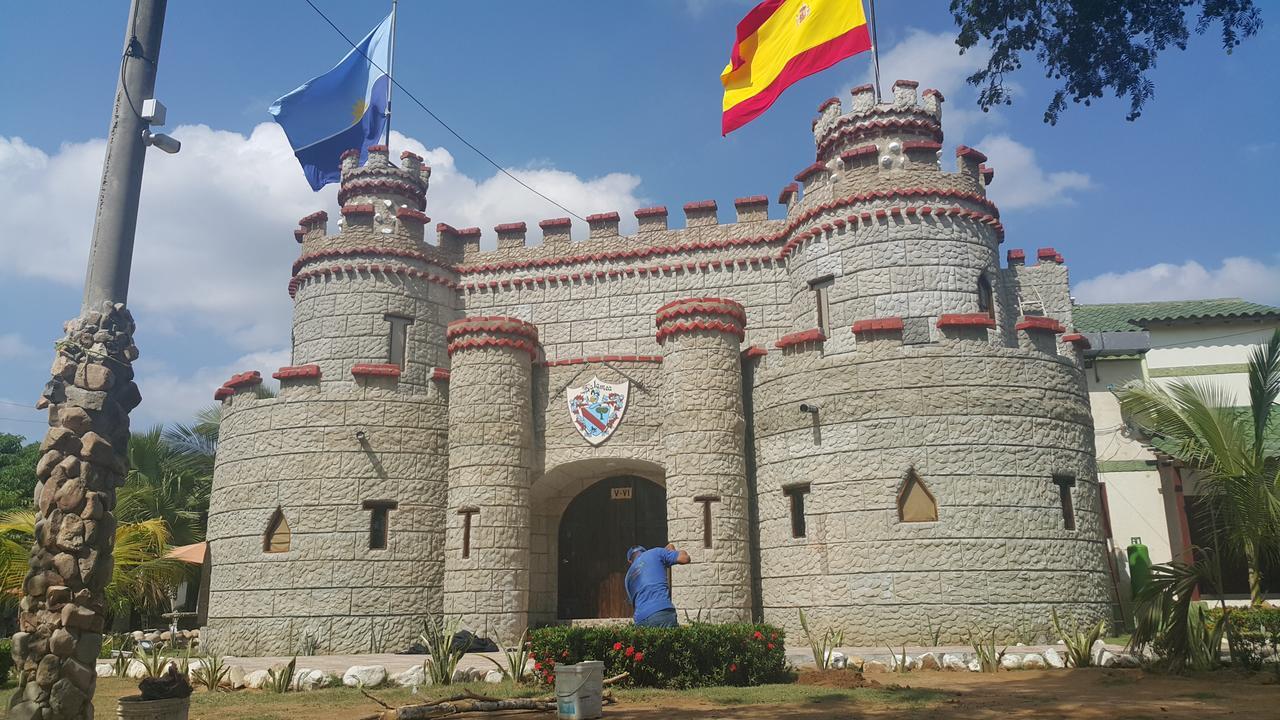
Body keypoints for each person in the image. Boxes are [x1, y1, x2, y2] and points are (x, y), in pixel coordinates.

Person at [624, 543, 690, 627]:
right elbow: (684, 558)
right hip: (662, 612)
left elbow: (634, 604)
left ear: (630, 561)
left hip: (640, 620)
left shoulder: (627, 578)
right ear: (645, 551)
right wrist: (673, 552)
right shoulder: (656, 552)